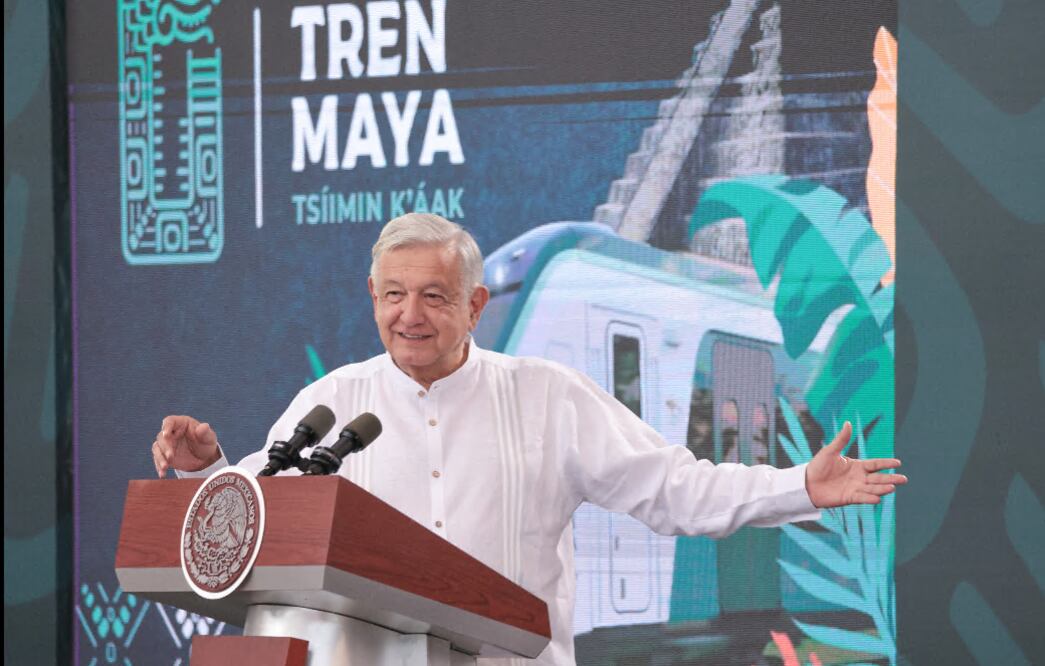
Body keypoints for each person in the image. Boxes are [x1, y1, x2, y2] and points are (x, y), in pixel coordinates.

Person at [152, 213, 907, 665]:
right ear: (373, 300)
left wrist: (800, 486)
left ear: (475, 305)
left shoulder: (546, 398)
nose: (408, 315)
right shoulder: (330, 405)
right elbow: (259, 518)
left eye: (432, 296)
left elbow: (674, 488)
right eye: (392, 294)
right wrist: (206, 474)